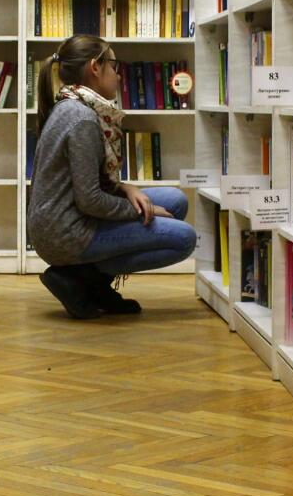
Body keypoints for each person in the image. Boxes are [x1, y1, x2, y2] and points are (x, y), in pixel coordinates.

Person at [27, 34, 197, 319]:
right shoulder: (82, 118)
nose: (118, 75)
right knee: (184, 239)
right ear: (95, 67)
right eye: (114, 66)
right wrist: (142, 211)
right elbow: (90, 200)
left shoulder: (74, 104)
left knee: (175, 201)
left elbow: (90, 181)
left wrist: (125, 188)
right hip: (65, 233)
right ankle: (81, 278)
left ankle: (90, 281)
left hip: (67, 219)